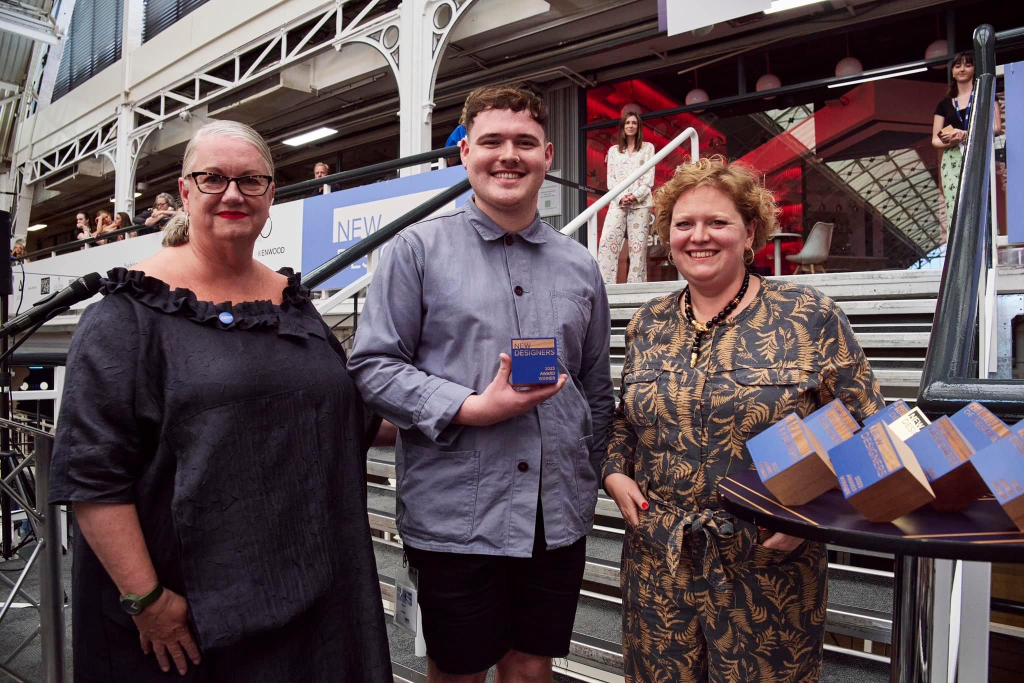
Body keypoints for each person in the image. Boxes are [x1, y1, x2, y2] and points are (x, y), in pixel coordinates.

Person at [49, 120, 392, 682]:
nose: (233, 194)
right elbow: (92, 476)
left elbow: (347, 417)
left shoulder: (293, 305)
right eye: (213, 178)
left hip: (312, 605)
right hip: (191, 624)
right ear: (185, 191)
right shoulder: (125, 315)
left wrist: (464, 407)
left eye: (251, 181)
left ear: (271, 196)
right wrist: (148, 601)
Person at [349, 85, 615, 683]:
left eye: (524, 142)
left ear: (549, 155)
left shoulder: (580, 265)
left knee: (531, 667)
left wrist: (589, 478)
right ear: (464, 152)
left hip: (555, 513)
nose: (508, 156)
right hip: (456, 515)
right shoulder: (414, 251)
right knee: (459, 669)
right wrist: (470, 407)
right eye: (491, 141)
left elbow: (595, 387)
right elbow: (372, 367)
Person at [602, 156, 884, 682]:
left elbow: (870, 432)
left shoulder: (809, 316)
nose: (698, 236)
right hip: (659, 564)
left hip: (767, 568)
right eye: (683, 224)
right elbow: (626, 422)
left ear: (750, 232)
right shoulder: (648, 323)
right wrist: (615, 472)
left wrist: (812, 515)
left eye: (717, 222)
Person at [932, 51, 1003, 238]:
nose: (962, 69)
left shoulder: (985, 96)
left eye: (967, 65)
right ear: (952, 73)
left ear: (974, 69)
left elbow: (996, 127)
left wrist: (967, 134)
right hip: (952, 157)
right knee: (955, 203)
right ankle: (957, 248)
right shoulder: (944, 104)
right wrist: (953, 137)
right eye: (958, 66)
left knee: (980, 200)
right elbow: (936, 139)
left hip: (977, 153)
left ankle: (987, 246)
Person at [596, 110, 656, 284]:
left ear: (638, 127)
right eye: (627, 123)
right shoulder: (614, 151)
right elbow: (611, 180)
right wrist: (621, 197)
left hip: (641, 203)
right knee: (608, 240)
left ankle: (636, 286)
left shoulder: (648, 148)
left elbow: (648, 179)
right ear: (622, 127)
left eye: (634, 123)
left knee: (638, 248)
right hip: (618, 203)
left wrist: (635, 196)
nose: (630, 126)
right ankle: (604, 284)